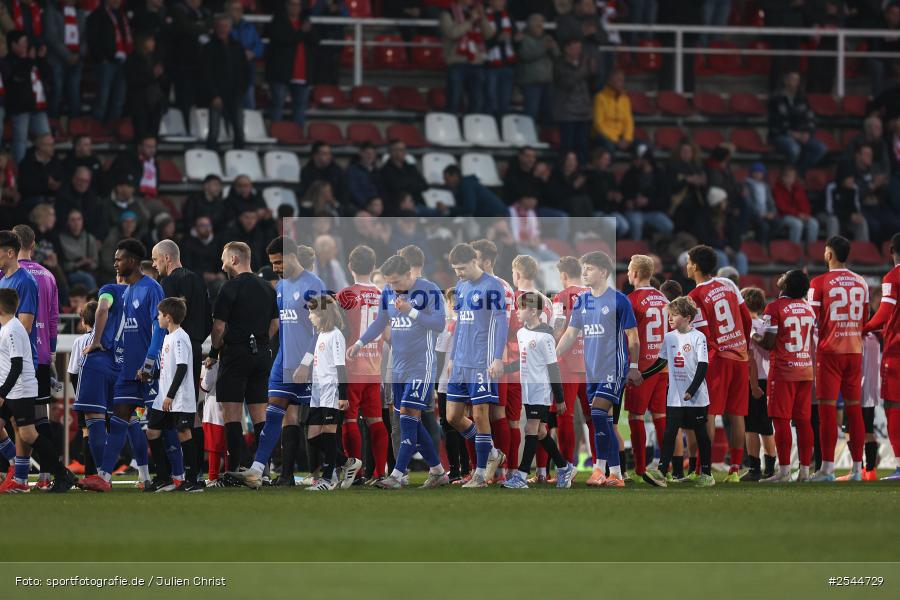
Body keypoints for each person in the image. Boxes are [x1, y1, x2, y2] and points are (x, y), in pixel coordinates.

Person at [228, 237, 325, 488]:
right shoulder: (281, 286)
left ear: (293, 256)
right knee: (274, 414)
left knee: (319, 421)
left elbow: (324, 327)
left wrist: (307, 361)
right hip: (284, 361)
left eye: (280, 262)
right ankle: (257, 469)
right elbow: (281, 325)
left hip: (308, 363)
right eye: (273, 263)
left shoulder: (315, 285)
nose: (277, 267)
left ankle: (343, 464)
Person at [349, 254, 448, 489]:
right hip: (399, 367)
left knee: (406, 416)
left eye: (396, 282)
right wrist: (360, 343)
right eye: (389, 283)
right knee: (411, 421)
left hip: (421, 365)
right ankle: (438, 472)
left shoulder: (429, 290)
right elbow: (380, 321)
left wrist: (411, 311)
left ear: (408, 274)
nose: (392, 287)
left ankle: (396, 475)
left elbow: (439, 324)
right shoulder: (388, 292)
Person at [81, 238, 163, 493]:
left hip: (148, 369)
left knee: (163, 426)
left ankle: (179, 476)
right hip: (127, 370)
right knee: (120, 419)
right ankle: (105, 477)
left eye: (119, 259)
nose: (115, 263)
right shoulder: (127, 291)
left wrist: (151, 361)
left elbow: (159, 326)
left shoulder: (151, 288)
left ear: (133, 261)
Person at [556, 250, 642, 488]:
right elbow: (571, 334)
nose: (584, 272)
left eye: (590, 268)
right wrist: (553, 356)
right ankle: (609, 473)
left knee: (597, 414)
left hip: (613, 368)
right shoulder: (582, 301)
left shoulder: (619, 300)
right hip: (591, 370)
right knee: (600, 419)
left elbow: (633, 337)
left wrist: (633, 366)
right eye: (583, 268)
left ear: (603, 272)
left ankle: (604, 471)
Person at [207, 241, 278, 478]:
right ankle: (263, 469)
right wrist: (261, 342)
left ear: (234, 259)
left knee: (232, 413)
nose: (222, 263)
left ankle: (234, 468)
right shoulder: (269, 288)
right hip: (262, 355)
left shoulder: (229, 288)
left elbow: (218, 328)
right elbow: (275, 324)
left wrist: (213, 352)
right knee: (260, 414)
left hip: (236, 354)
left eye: (224, 258)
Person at [686, 244, 752, 482]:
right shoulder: (730, 284)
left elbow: (701, 333)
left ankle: (703, 469)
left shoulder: (694, 296)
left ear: (694, 266)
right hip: (740, 356)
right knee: (737, 414)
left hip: (718, 359)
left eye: (688, 262)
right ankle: (735, 469)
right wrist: (740, 345)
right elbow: (746, 319)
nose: (686, 265)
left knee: (709, 413)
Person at [0, 287, 75, 492]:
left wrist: (2, 392)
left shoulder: (13, 329)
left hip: (20, 390)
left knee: (28, 435)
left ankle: (61, 473)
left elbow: (17, 365)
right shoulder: (8, 327)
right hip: (13, 389)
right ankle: (15, 464)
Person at [808, 236, 869, 482]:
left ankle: (828, 469)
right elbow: (865, 317)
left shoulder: (819, 282)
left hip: (829, 351)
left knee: (827, 410)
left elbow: (811, 319)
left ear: (829, 254)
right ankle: (856, 469)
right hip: (854, 351)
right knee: (855, 410)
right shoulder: (861, 282)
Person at [501, 292, 574, 489]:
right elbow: (523, 361)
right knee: (541, 431)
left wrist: (559, 399)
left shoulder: (546, 337)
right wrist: (505, 368)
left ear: (533, 311)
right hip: (527, 388)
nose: (517, 312)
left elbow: (553, 367)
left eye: (521, 308)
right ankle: (564, 467)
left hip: (540, 389)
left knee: (530, 428)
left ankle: (521, 476)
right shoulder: (521, 333)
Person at [641, 296, 715, 488]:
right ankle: (662, 472)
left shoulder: (698, 337)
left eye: (674, 315)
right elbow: (661, 362)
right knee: (669, 433)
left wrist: (692, 390)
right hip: (675, 396)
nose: (670, 319)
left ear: (688, 317)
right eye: (670, 315)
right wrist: (642, 375)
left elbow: (703, 365)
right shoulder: (669, 337)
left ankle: (706, 473)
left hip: (696, 397)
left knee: (701, 434)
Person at [151, 239, 211, 463]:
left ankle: (183, 470)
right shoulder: (197, 280)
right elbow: (208, 318)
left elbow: (164, 321)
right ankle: (196, 469)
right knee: (190, 409)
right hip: (195, 346)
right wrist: (195, 341)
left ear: (167, 258)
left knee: (177, 411)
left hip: (175, 349)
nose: (155, 265)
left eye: (156, 259)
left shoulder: (168, 282)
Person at [336, 246, 389, 484]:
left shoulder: (345, 295)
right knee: (375, 420)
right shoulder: (382, 294)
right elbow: (386, 333)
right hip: (374, 367)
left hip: (350, 366)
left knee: (350, 419)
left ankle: (354, 471)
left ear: (349, 266)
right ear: (374, 266)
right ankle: (380, 472)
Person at [758, 270, 817, 483]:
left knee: (781, 420)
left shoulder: (774, 307)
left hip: (783, 370)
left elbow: (768, 343)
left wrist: (754, 335)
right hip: (805, 368)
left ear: (786, 284)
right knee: (803, 421)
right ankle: (804, 471)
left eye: (784, 275)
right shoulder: (808, 309)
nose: (780, 275)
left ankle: (783, 471)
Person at [145, 297, 203, 492]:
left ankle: (193, 480)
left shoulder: (180, 337)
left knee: (184, 433)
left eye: (160, 315)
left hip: (178, 397)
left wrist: (170, 394)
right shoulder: (168, 336)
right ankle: (163, 477)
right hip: (164, 396)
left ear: (168, 317)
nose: (158, 318)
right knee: (152, 431)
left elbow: (182, 368)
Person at [73, 276, 126, 490]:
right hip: (125, 364)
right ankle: (148, 475)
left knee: (93, 421)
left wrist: (96, 341)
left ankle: (102, 476)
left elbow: (102, 308)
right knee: (126, 422)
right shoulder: (151, 292)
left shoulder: (110, 289)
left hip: (99, 363)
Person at [624, 255, 668, 486]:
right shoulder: (663, 298)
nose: (628, 274)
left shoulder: (631, 300)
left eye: (630, 270)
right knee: (660, 416)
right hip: (662, 366)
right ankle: (665, 467)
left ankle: (640, 468)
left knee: (636, 416)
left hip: (641, 367)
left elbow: (628, 336)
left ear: (636, 273)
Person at [302, 294, 351, 491]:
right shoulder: (321, 334)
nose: (309, 317)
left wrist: (343, 395)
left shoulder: (336, 335)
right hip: (317, 392)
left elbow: (341, 368)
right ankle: (347, 463)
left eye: (313, 313)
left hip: (331, 390)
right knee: (313, 435)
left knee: (329, 434)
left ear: (323, 314)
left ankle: (328, 478)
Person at [551, 256, 593, 477]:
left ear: (564, 275)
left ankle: (566, 467)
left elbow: (558, 330)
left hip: (566, 363)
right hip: (591, 363)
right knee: (594, 417)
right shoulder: (594, 295)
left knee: (564, 416)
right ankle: (601, 468)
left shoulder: (561, 297)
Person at [862, 232, 900, 480]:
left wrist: (862, 328)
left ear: (891, 250)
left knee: (894, 406)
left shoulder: (893, 276)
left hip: (897, 352)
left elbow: (885, 313)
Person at [742, 286, 777, 482]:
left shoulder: (746, 326)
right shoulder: (766, 324)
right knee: (766, 426)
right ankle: (770, 468)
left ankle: (755, 468)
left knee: (751, 427)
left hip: (753, 380)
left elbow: (750, 360)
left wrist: (753, 385)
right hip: (770, 377)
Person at [265, 0, 316, 128]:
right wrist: (302, 32)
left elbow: (316, 40)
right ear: (286, 6)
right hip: (281, 73)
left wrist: (306, 31)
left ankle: (297, 136)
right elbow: (285, 39)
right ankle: (275, 133)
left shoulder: (305, 21)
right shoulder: (277, 21)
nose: (295, 7)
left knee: (300, 107)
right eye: (292, 4)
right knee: (277, 105)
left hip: (302, 73)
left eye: (298, 4)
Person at [767, 70, 827, 175]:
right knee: (795, 149)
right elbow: (775, 122)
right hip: (781, 135)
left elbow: (810, 118)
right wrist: (793, 134)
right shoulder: (776, 99)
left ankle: (798, 172)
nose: (795, 83)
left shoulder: (802, 98)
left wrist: (807, 133)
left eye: (797, 80)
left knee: (821, 149)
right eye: (792, 79)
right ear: (785, 81)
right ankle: (788, 175)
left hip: (801, 134)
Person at [202, 14, 247, 151]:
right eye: (220, 26)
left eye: (226, 26)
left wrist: (241, 90)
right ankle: (211, 158)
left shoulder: (238, 47)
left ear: (230, 28)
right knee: (213, 131)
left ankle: (240, 157)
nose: (223, 29)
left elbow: (244, 71)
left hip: (235, 94)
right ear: (216, 27)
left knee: (239, 130)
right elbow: (205, 73)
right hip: (217, 94)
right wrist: (214, 95)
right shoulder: (209, 47)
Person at [5, 30, 51, 165]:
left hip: (39, 106)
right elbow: (15, 78)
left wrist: (41, 58)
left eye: (26, 42)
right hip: (20, 107)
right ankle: (20, 170)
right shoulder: (8, 61)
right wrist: (29, 60)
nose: (26, 45)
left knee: (46, 137)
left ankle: (45, 167)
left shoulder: (33, 59)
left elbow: (47, 75)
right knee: (20, 140)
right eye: (22, 42)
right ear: (13, 45)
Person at [440, 0, 493, 113]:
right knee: (454, 101)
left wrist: (482, 18)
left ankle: (471, 129)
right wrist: (471, 21)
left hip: (476, 63)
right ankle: (451, 128)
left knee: (477, 102)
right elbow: (452, 33)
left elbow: (489, 35)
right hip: (457, 62)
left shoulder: (475, 13)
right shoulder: (447, 13)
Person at [86, 0, 132, 125]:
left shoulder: (122, 16)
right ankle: (95, 128)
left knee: (119, 100)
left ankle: (112, 129)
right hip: (105, 64)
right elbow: (92, 40)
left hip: (122, 63)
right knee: (102, 99)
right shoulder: (97, 15)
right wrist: (102, 58)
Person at [169, 0, 212, 120]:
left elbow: (211, 24)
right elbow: (185, 27)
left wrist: (196, 26)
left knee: (201, 97)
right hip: (183, 63)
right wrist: (201, 27)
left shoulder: (205, 11)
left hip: (202, 64)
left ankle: (199, 126)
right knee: (184, 98)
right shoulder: (178, 9)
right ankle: (184, 125)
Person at [620, 143, 673, 241]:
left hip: (653, 211)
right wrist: (629, 201)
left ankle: (659, 248)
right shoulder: (630, 174)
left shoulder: (659, 174)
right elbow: (623, 194)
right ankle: (635, 253)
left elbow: (666, 200)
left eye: (639, 158)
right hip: (634, 211)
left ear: (647, 159)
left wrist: (648, 201)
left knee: (668, 226)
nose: (635, 161)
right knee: (636, 223)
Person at [44, 0, 85, 120]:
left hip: (77, 60)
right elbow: (51, 35)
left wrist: (79, 54)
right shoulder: (51, 9)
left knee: (75, 93)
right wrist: (67, 55)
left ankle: (75, 127)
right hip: (57, 59)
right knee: (56, 92)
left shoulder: (80, 11)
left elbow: (85, 36)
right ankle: (54, 126)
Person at [553, 37, 592, 162]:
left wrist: (594, 72)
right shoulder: (559, 64)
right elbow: (567, 83)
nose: (579, 51)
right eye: (575, 48)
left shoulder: (584, 65)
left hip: (583, 113)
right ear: (567, 49)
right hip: (567, 114)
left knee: (583, 147)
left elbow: (595, 85)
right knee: (567, 148)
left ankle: (582, 175)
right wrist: (583, 70)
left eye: (580, 48)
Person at [516, 13, 557, 125]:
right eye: (537, 24)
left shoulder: (548, 38)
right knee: (531, 111)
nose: (540, 26)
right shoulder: (523, 38)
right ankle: (529, 136)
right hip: (530, 82)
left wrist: (553, 47)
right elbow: (526, 55)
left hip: (547, 81)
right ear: (530, 25)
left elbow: (558, 55)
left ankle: (545, 136)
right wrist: (544, 47)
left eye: (541, 24)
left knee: (548, 111)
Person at [124, 33, 165, 142]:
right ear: (143, 43)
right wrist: (153, 75)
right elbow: (133, 80)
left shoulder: (154, 58)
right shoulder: (134, 59)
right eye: (150, 41)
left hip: (154, 102)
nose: (153, 44)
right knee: (141, 135)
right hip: (139, 103)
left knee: (153, 134)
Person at [483, 0, 516, 117]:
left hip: (507, 64)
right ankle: (488, 130)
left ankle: (503, 129)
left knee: (505, 103)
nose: (502, 3)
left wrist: (516, 39)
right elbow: (480, 42)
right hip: (490, 66)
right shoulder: (484, 18)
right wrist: (498, 39)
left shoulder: (509, 17)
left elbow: (514, 38)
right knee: (490, 101)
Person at [227, 0, 262, 110]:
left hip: (247, 72)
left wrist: (253, 52)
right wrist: (241, 53)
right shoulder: (224, 27)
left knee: (249, 104)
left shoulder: (249, 27)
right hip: (229, 72)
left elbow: (259, 46)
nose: (238, 12)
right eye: (234, 9)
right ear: (228, 11)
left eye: (240, 9)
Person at [772, 164, 819, 245]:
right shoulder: (777, 189)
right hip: (783, 216)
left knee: (813, 223)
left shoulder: (798, 188)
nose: (789, 179)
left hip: (800, 215)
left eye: (792, 177)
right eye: (787, 176)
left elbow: (805, 203)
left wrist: (806, 214)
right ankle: (794, 249)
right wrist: (798, 214)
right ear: (782, 177)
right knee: (797, 224)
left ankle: (811, 249)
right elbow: (782, 207)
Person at [592, 69, 633, 154]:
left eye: (622, 80)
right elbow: (598, 124)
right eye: (618, 80)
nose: (621, 83)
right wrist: (615, 140)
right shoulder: (600, 98)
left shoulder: (625, 99)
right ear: (610, 81)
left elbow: (628, 121)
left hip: (621, 137)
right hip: (604, 136)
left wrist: (627, 138)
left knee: (642, 147)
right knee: (609, 146)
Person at [442, 165, 507, 217]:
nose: (445, 183)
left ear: (455, 176)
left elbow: (469, 209)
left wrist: (448, 208)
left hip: (497, 216)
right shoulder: (460, 188)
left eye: (447, 179)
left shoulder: (467, 185)